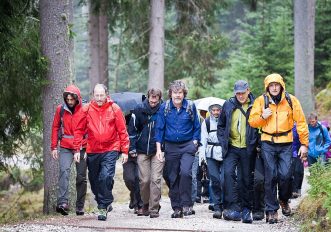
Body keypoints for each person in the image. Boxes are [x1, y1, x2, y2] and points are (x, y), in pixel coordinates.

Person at [249, 73, 309, 224]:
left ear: (281, 86)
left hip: (286, 142)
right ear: (267, 87)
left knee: (286, 175)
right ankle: (271, 210)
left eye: (277, 85)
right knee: (271, 176)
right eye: (271, 85)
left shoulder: (291, 100)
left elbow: (301, 122)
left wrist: (304, 144)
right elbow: (252, 122)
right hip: (267, 142)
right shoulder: (261, 101)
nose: (274, 88)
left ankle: (283, 199)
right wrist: (263, 116)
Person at [73, 84, 129, 221]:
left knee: (105, 176)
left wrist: (125, 151)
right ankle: (104, 200)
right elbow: (79, 130)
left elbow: (122, 131)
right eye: (96, 95)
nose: (99, 98)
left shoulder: (114, 108)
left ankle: (103, 207)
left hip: (111, 148)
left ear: (106, 94)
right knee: (94, 180)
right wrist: (77, 149)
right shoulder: (86, 109)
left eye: (101, 95)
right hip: (93, 149)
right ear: (93, 95)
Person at [155, 80, 201, 218]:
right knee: (172, 176)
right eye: (175, 93)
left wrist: (195, 142)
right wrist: (159, 149)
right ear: (171, 94)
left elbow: (197, 126)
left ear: (184, 94)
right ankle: (177, 208)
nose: (177, 95)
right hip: (171, 146)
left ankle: (186, 204)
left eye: (180, 93)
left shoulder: (191, 106)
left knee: (186, 173)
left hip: (187, 145)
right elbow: (159, 128)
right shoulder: (165, 107)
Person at [217, 80, 259, 223]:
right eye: (238, 93)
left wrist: (255, 143)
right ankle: (233, 207)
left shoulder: (256, 105)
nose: (240, 96)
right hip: (232, 147)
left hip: (248, 148)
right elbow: (221, 125)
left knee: (245, 179)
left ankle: (246, 208)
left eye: (243, 92)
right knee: (227, 175)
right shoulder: (228, 105)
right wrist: (223, 141)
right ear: (235, 93)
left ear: (248, 90)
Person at [51, 85, 87, 216]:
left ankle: (80, 205)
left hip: (82, 147)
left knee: (81, 176)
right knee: (64, 171)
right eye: (67, 99)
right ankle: (62, 203)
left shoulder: (85, 109)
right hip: (65, 146)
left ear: (77, 99)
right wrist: (54, 147)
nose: (70, 102)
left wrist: (87, 147)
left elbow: (89, 129)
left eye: (72, 99)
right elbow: (55, 127)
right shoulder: (60, 110)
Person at [128, 88, 164, 218]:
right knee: (144, 180)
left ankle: (154, 208)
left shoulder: (163, 110)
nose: (153, 100)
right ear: (148, 97)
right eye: (152, 97)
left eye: (156, 97)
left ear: (160, 98)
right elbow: (132, 130)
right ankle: (145, 203)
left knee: (156, 179)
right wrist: (132, 148)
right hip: (142, 150)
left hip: (158, 150)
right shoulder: (138, 109)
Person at [199, 103, 223, 219]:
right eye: (213, 110)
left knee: (225, 179)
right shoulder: (206, 122)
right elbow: (203, 140)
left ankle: (226, 204)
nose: (216, 112)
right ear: (210, 111)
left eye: (218, 110)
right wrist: (202, 158)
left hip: (225, 153)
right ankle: (217, 207)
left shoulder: (226, 120)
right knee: (214, 180)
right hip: (211, 154)